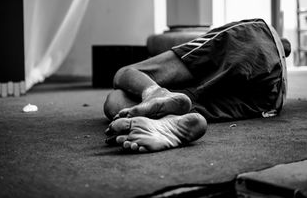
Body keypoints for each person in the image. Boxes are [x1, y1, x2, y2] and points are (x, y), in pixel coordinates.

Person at [103, 18, 291, 153]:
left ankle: (156, 92)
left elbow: (124, 76)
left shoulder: (252, 33)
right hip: (271, 97)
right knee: (115, 103)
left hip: (256, 40)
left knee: (124, 74)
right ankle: (168, 122)